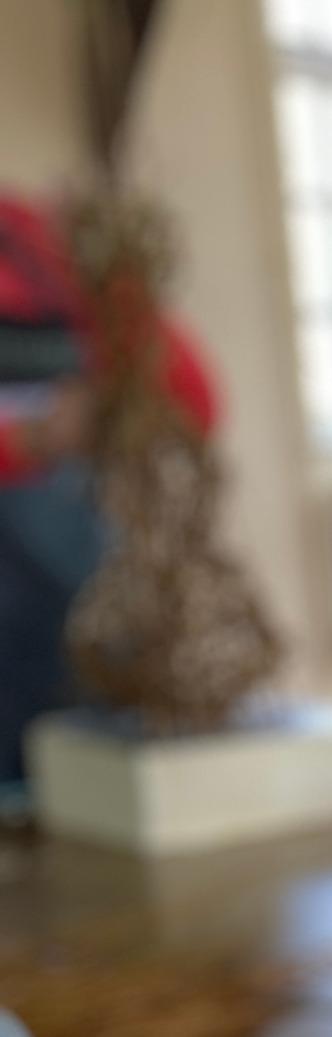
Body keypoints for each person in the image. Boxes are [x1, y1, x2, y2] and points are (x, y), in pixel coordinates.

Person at [0, 195, 216, 787]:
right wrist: (30, 439)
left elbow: (194, 400)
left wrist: (119, 396)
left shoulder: (42, 248)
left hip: (73, 587)